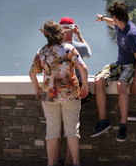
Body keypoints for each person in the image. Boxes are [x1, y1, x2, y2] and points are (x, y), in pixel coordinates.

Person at [29, 20, 89, 166]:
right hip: (71, 95)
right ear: (60, 33)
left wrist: (38, 89)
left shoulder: (41, 52)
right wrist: (85, 86)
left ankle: (51, 163)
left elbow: (32, 74)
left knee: (52, 132)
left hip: (49, 97)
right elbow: (83, 69)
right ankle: (75, 163)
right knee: (72, 131)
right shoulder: (69, 49)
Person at [91, 1, 136, 142]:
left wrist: (135, 82)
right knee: (98, 81)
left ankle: (123, 126)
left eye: (112, 16)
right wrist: (103, 18)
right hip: (119, 64)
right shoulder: (120, 26)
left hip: (132, 65)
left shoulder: (132, 34)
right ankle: (103, 122)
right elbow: (112, 24)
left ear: (115, 16)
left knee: (121, 86)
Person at [55, 17, 92, 166]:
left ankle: (56, 159)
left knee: (57, 128)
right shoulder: (79, 47)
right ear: (72, 29)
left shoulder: (54, 47)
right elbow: (88, 53)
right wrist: (79, 35)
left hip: (56, 91)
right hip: (74, 91)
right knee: (72, 128)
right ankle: (70, 161)